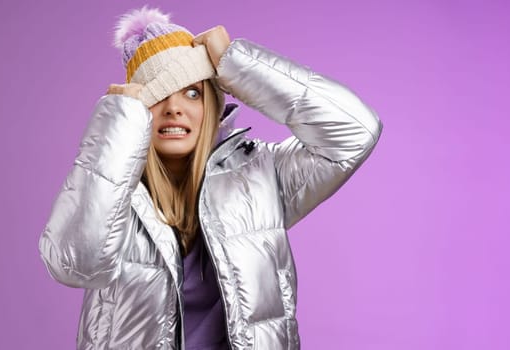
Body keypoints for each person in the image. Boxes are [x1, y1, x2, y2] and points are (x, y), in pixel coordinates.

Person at [39, 6, 382, 350]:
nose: (174, 107)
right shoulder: (114, 192)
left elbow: (355, 133)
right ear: (138, 110)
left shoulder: (259, 176)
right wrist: (117, 122)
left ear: (214, 107)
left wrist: (239, 64)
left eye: (192, 92)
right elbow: (75, 263)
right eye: (157, 93)